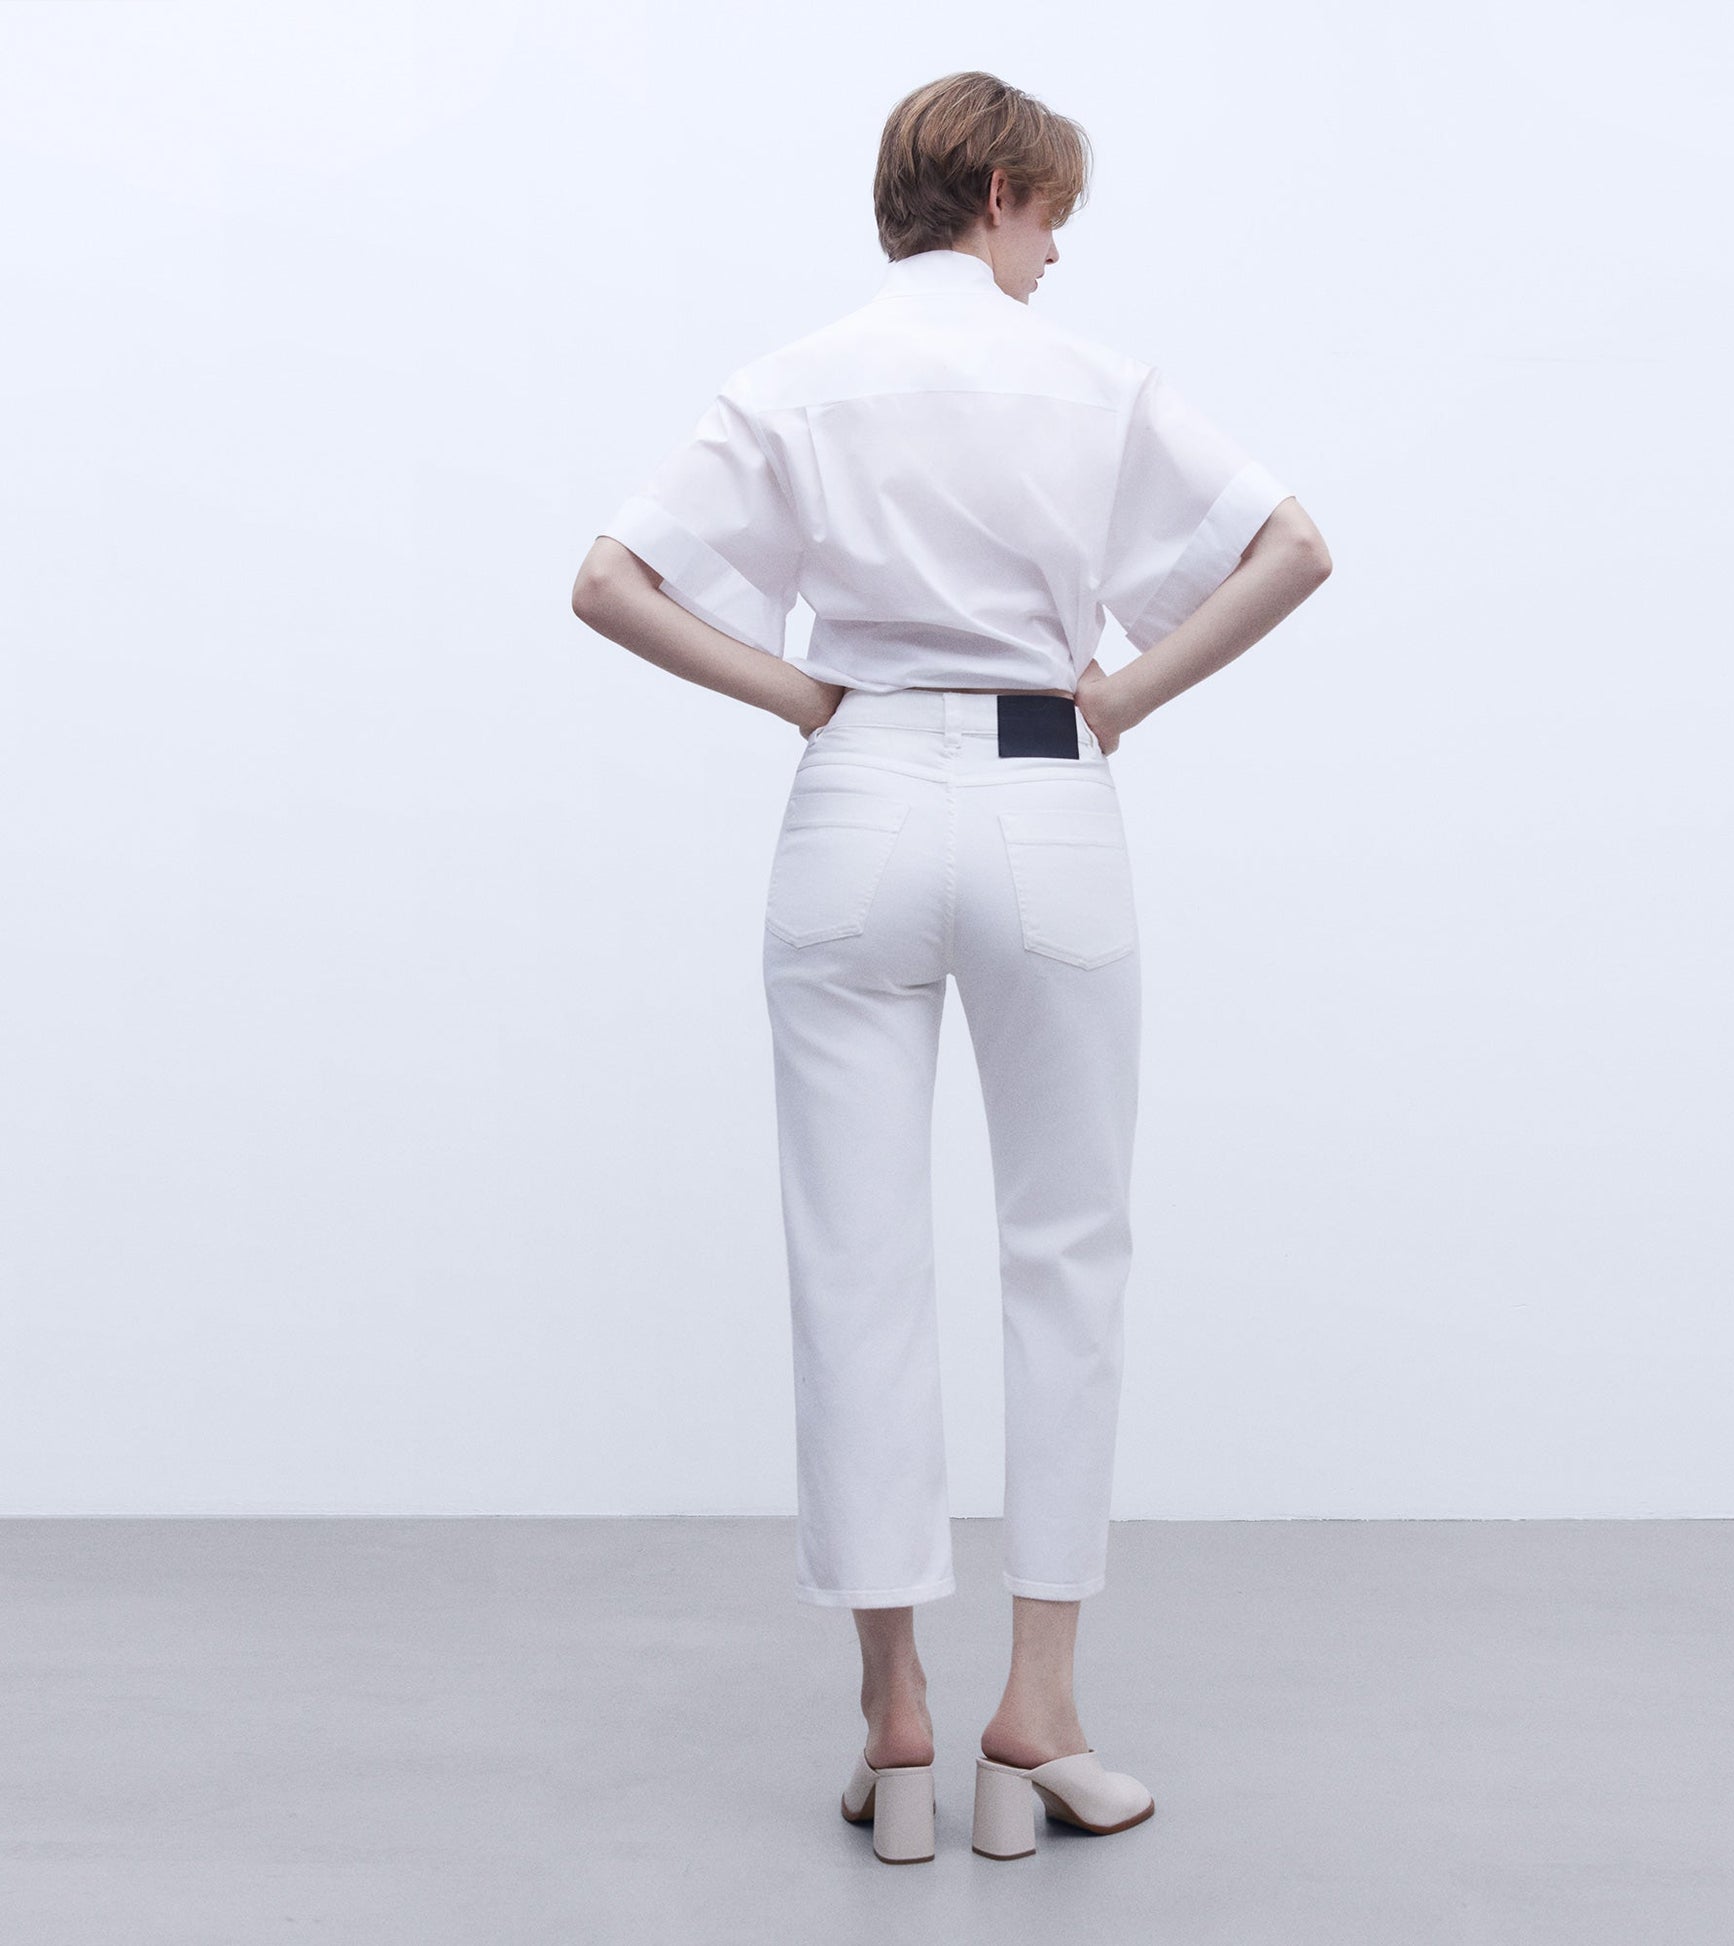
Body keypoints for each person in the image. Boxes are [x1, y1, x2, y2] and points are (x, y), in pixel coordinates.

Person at [570, 70, 1331, 1864]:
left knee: (856, 1260)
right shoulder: (1091, 380)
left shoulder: (795, 378)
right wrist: (1118, 696)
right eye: (1051, 214)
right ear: (995, 191)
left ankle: (894, 1717)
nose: (1056, 252)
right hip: (1046, 799)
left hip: (853, 804)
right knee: (1065, 1249)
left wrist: (805, 695)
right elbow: (1293, 545)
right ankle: (1035, 1716)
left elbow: (609, 581)